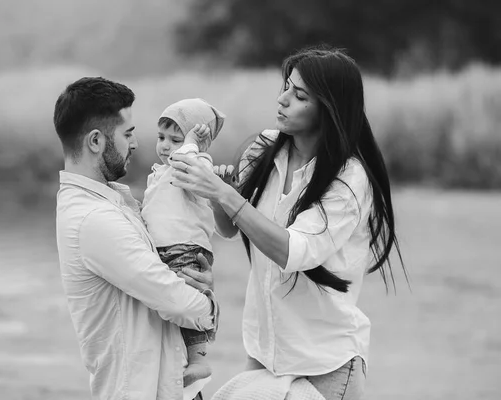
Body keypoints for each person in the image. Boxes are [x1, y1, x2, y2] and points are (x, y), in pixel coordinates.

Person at [170, 47, 406, 400]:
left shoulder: (350, 179)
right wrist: (223, 195)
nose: (282, 100)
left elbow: (295, 251)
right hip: (264, 354)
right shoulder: (264, 149)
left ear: (329, 109)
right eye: (286, 87)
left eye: (299, 96)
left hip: (325, 364)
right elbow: (231, 229)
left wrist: (224, 194)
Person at [53, 77, 219, 400]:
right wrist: (210, 306)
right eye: (127, 134)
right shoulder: (93, 219)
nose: (136, 144)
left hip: (170, 384)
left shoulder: (112, 203)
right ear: (96, 141)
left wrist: (196, 276)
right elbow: (171, 297)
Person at [141, 98, 226, 388]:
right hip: (164, 250)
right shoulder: (159, 172)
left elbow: (187, 168)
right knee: (171, 302)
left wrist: (191, 145)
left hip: (187, 247)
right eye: (161, 138)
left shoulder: (198, 165)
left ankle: (200, 359)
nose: (165, 146)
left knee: (190, 293)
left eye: (175, 140)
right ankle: (182, 360)